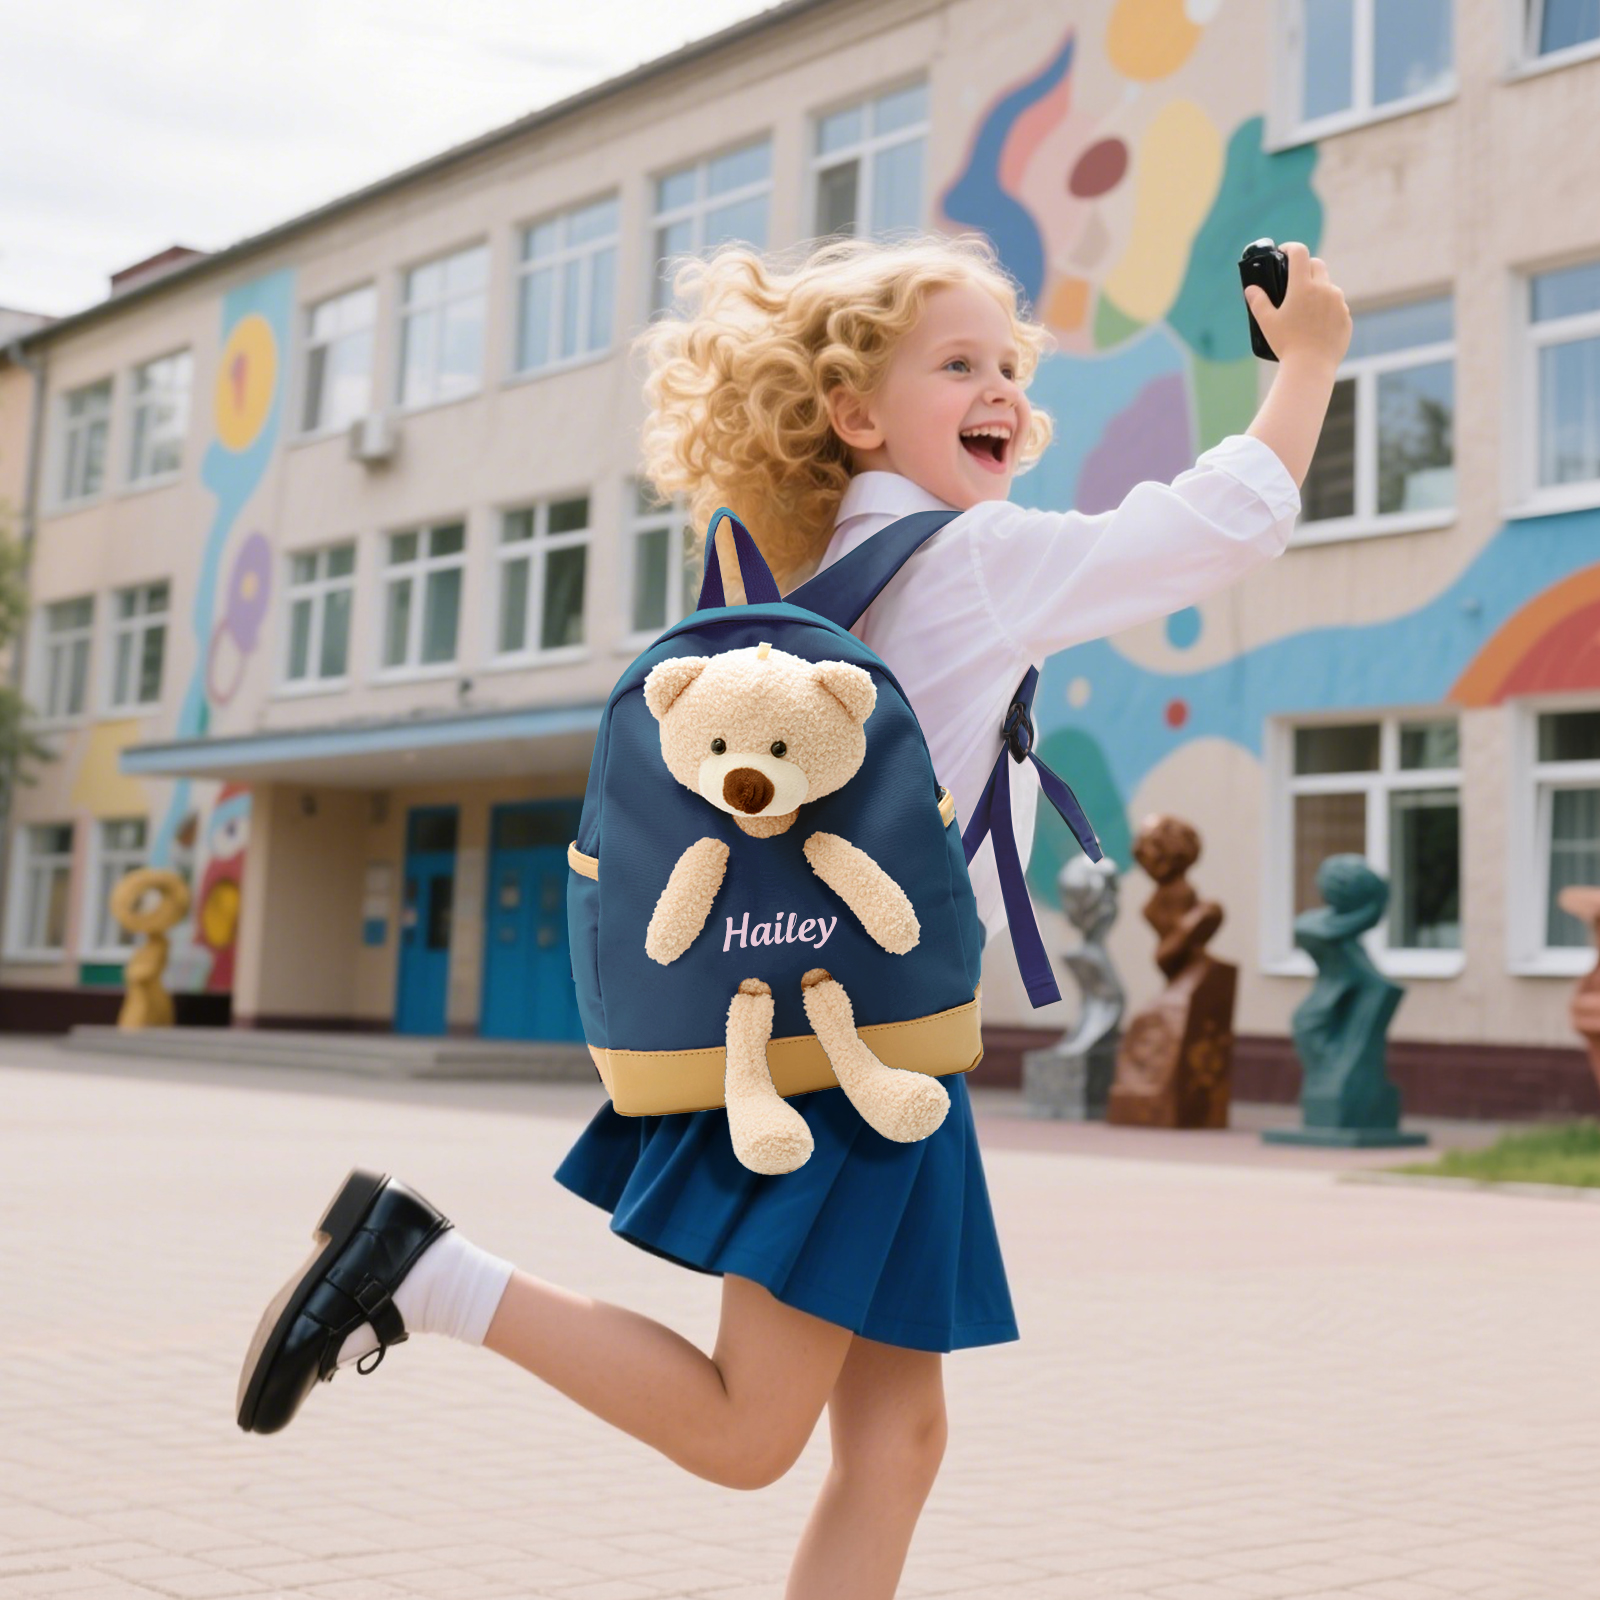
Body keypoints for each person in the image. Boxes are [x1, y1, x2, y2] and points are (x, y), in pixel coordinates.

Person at [237, 230, 1349, 1600]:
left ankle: (431, 1272)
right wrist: (1307, 365)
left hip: (829, 1041)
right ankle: (427, 1271)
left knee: (899, 1439)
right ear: (854, 413)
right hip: (846, 1062)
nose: (1000, 387)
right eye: (957, 363)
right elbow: (1217, 527)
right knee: (748, 1431)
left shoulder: (809, 576)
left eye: (1008, 365)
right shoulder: (979, 558)